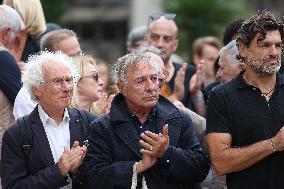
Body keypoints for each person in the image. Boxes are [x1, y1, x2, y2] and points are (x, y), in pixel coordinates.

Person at [86, 48, 210, 189]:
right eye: (140, 81)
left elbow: (201, 169)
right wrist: (137, 167)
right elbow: (94, 177)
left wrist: (166, 153)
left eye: (154, 78)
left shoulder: (179, 118)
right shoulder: (102, 126)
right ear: (122, 87)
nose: (151, 87)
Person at [206, 10, 284, 189]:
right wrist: (274, 144)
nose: (274, 52)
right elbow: (220, 163)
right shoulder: (221, 96)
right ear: (243, 48)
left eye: (278, 45)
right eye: (264, 45)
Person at [1, 51, 95, 189]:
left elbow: (103, 172)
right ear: (36, 89)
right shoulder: (17, 134)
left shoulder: (88, 121)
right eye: (57, 81)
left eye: (69, 80)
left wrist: (78, 169)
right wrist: (58, 171)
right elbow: (12, 186)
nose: (67, 88)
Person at [13, 29, 82, 119]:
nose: (80, 59)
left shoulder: (87, 82)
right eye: (71, 57)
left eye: (80, 53)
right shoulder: (27, 95)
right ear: (50, 57)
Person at [144, 13, 197, 110]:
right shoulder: (132, 75)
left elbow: (203, 119)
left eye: (167, 39)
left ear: (175, 45)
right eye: (155, 37)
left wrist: (197, 94)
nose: (160, 44)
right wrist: (175, 97)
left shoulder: (190, 74)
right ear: (146, 40)